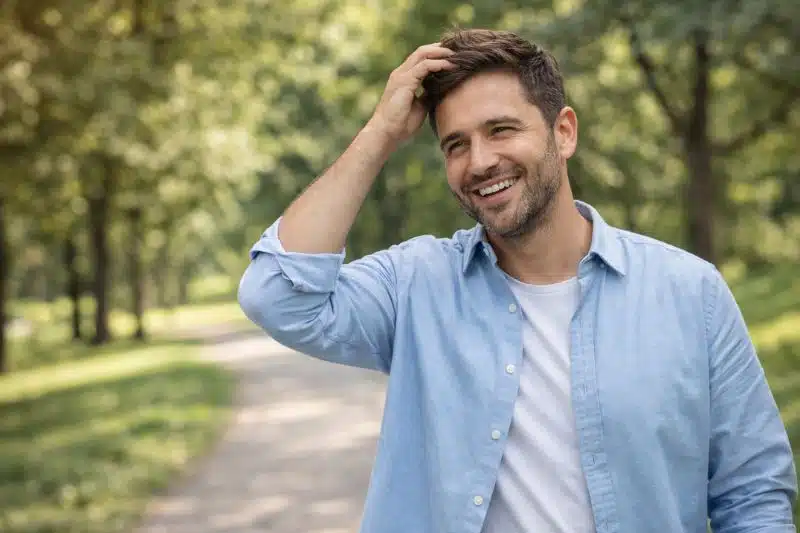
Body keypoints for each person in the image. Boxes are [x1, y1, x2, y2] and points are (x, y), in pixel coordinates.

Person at [238, 28, 797, 533]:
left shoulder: (690, 292)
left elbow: (752, 497)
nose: (480, 161)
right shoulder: (415, 285)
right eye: (456, 144)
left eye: (501, 130)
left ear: (564, 132)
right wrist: (381, 133)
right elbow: (277, 295)